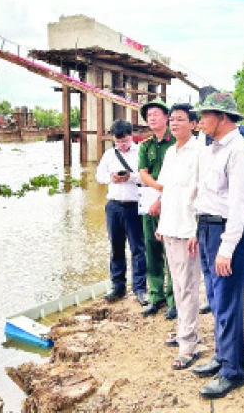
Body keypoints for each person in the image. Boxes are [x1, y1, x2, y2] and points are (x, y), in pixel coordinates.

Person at [188, 92, 244, 399]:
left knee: (228, 301)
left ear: (223, 117)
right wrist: (195, 230)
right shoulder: (212, 149)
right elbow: (204, 194)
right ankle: (221, 355)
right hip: (206, 227)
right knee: (215, 298)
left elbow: (240, 204)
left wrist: (227, 248)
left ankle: (232, 370)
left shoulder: (240, 150)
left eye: (205, 116)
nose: (199, 121)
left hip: (229, 231)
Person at [154, 103, 203, 369]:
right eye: (172, 120)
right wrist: (162, 224)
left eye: (180, 120)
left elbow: (201, 194)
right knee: (177, 284)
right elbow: (168, 191)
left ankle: (188, 346)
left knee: (187, 287)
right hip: (170, 227)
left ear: (193, 124)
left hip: (187, 229)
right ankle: (186, 330)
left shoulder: (199, 153)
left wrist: (196, 229)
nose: (174, 124)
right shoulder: (171, 152)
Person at [95, 120, 149, 306]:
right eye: (118, 142)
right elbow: (98, 176)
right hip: (114, 206)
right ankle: (118, 287)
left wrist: (130, 177)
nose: (122, 145)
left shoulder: (141, 152)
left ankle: (140, 289)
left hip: (134, 205)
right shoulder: (109, 154)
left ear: (131, 136)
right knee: (116, 247)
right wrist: (111, 178)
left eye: (125, 141)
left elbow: (146, 177)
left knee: (138, 248)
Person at [138, 98, 177, 319]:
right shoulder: (146, 145)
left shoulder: (175, 144)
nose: (152, 118)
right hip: (149, 202)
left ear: (166, 117)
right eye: (148, 115)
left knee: (171, 250)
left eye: (156, 114)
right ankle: (156, 296)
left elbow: (178, 178)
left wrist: (163, 197)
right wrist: (157, 187)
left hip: (171, 204)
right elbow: (143, 171)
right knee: (151, 249)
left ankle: (173, 299)